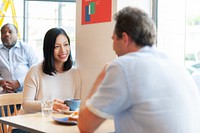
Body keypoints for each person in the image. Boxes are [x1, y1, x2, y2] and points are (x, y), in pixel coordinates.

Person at [78, 6, 200, 133]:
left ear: (125, 38)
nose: (113, 46)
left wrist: (102, 75)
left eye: (113, 39)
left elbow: (85, 125)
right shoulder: (174, 63)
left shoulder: (123, 66)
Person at [21, 27, 82, 114]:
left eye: (66, 44)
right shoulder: (35, 71)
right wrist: (49, 105)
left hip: (58, 122)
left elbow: (76, 105)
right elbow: (26, 104)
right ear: (48, 49)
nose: (63, 50)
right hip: (31, 124)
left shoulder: (75, 73)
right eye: (57, 46)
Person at [0, 23, 39, 93]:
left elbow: (36, 70)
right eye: (3, 32)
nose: (6, 34)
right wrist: (1, 81)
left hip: (26, 93)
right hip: (4, 95)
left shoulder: (26, 48)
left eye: (10, 32)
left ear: (17, 34)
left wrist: (19, 82)